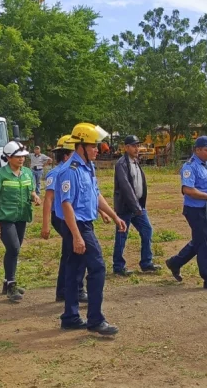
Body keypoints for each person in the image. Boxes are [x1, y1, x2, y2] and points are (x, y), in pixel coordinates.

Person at [56, 122, 126, 335]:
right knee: (97, 268)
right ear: (81, 146)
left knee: (74, 269)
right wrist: (77, 236)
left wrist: (114, 216)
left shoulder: (89, 167)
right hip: (77, 226)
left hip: (84, 224)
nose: (98, 149)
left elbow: (95, 195)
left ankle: (70, 317)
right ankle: (95, 320)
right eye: (93, 145)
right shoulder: (70, 171)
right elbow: (66, 204)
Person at [165, 136, 207, 292]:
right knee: (204, 243)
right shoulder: (189, 167)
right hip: (195, 210)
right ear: (197, 150)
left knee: (201, 240)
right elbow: (187, 190)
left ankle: (175, 262)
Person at [0, 140, 41, 302]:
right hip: (5, 218)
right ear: (8, 157)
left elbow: (30, 191)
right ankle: (11, 285)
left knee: (14, 250)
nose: (21, 159)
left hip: (21, 217)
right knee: (13, 248)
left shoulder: (27, 173)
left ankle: (7, 282)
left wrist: (35, 197)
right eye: (18, 157)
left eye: (23, 156)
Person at [41, 135, 88, 303]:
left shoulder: (75, 169)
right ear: (67, 154)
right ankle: (76, 289)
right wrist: (45, 225)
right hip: (62, 217)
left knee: (69, 253)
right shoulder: (58, 172)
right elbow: (48, 199)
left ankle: (64, 290)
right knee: (76, 252)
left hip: (70, 216)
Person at [112, 135, 161, 276]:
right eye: (133, 146)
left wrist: (139, 206)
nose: (136, 148)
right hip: (126, 207)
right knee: (121, 236)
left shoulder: (135, 162)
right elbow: (126, 187)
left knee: (147, 230)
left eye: (137, 145)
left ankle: (146, 263)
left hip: (138, 206)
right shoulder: (121, 164)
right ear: (126, 148)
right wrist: (136, 207)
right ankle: (118, 266)